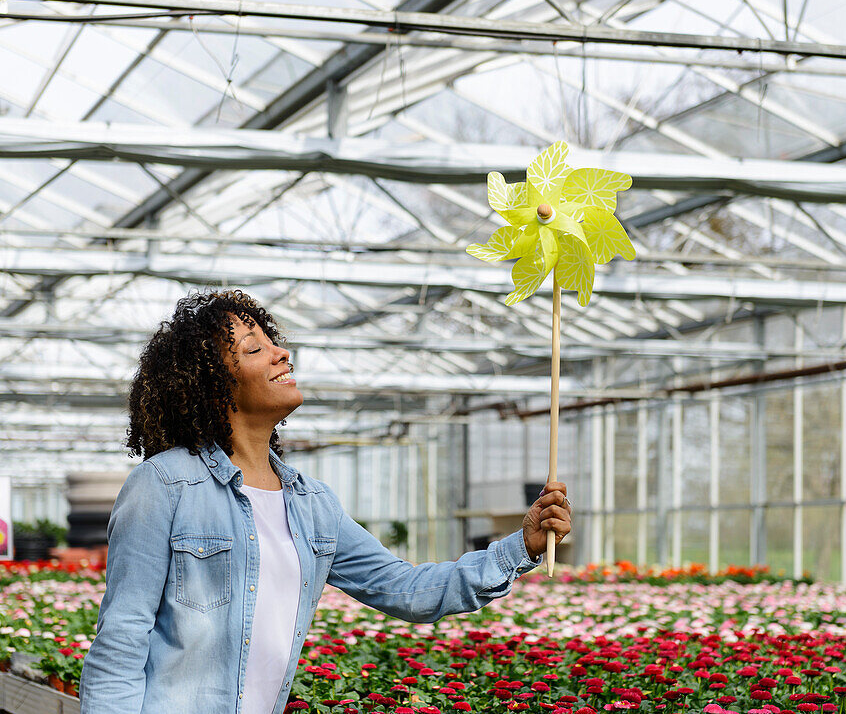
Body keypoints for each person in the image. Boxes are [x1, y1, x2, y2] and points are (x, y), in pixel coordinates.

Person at [78, 289, 572, 714]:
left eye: (274, 342)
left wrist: (522, 547)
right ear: (211, 383)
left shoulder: (312, 505)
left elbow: (406, 589)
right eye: (255, 349)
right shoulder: (163, 483)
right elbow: (120, 641)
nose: (281, 354)